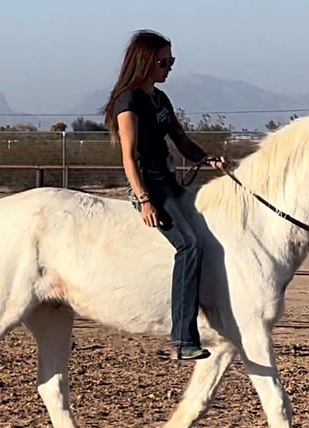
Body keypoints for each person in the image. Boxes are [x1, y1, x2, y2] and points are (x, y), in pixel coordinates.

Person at [103, 29, 228, 361]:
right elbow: (129, 156)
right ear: (145, 61)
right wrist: (144, 199)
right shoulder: (128, 101)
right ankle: (183, 338)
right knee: (189, 245)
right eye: (163, 61)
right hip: (151, 184)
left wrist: (207, 158)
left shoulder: (160, 99)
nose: (169, 67)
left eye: (172, 61)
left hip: (170, 181)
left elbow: (182, 140)